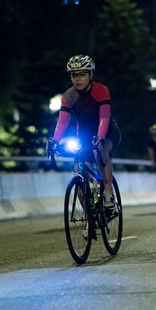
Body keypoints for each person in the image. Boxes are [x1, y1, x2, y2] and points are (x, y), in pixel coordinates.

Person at [47, 55, 121, 209]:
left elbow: (104, 118)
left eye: (82, 74)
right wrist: (55, 141)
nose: (77, 79)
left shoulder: (102, 90)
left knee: (101, 152)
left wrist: (101, 137)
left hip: (107, 131)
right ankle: (89, 219)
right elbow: (62, 122)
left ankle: (108, 195)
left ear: (91, 74)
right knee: (79, 177)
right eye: (74, 75)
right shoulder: (68, 96)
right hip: (85, 136)